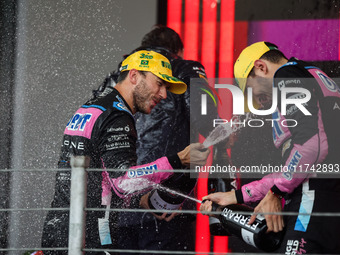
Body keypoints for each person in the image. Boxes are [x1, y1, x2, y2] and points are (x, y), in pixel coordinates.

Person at [41, 49, 210, 254]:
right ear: (134, 75)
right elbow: (123, 182)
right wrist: (178, 160)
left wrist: (142, 200)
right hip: (87, 235)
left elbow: (100, 175)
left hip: (61, 227)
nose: (164, 95)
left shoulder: (93, 106)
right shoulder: (117, 117)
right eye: (159, 84)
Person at [200, 41, 340, 253]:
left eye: (251, 90)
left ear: (261, 67)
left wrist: (276, 192)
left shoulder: (286, 75)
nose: (259, 103)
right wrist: (236, 197)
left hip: (313, 199)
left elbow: (311, 146)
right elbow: (294, 166)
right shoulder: (310, 73)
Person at [95, 25, 217, 255]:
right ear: (177, 51)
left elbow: (94, 141)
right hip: (166, 202)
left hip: (118, 204)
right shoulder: (183, 68)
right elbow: (207, 119)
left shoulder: (116, 78)